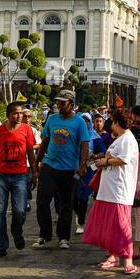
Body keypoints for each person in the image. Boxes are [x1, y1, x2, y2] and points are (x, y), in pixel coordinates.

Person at [32, 90, 93, 249]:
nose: (59, 105)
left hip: (69, 169)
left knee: (66, 204)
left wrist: (82, 166)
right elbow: (45, 141)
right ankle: (44, 235)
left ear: (71, 104)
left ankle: (63, 237)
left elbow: (84, 145)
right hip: (50, 165)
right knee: (42, 200)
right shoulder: (52, 119)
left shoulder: (79, 122)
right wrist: (36, 163)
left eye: (63, 103)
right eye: (58, 102)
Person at [83, 108, 139, 274]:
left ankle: (128, 259)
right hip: (110, 188)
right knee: (110, 224)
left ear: (118, 123)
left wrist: (106, 161)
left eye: (113, 122)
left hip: (120, 189)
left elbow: (123, 159)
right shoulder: (120, 138)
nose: (111, 125)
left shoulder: (128, 139)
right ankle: (112, 256)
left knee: (122, 225)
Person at [0, 100, 38, 259]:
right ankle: (1, 247)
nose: (19, 116)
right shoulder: (0, 130)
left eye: (21, 113)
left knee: (20, 210)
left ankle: (17, 231)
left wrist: (34, 173)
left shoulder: (27, 130)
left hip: (20, 175)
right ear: (8, 114)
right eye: (16, 113)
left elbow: (30, 152)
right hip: (1, 175)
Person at [73, 111, 110, 235]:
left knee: (83, 196)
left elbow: (103, 152)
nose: (85, 123)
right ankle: (79, 213)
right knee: (74, 195)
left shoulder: (95, 137)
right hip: (76, 169)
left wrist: (94, 155)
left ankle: (81, 223)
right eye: (82, 121)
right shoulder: (74, 136)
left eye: (87, 121)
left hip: (89, 169)